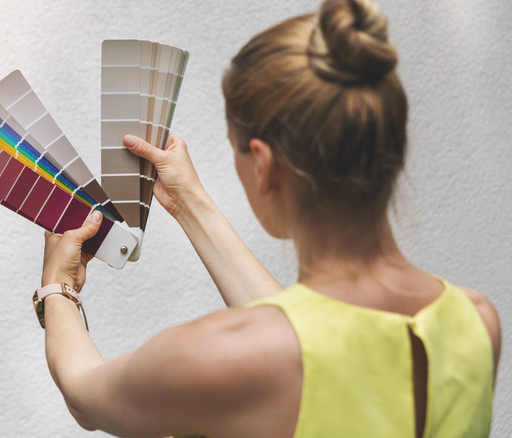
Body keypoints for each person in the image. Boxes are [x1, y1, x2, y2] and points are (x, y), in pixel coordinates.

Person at [35, 0, 501, 436]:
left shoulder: (225, 354)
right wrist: (188, 201)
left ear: (263, 163)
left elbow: (85, 393)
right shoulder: (476, 321)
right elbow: (318, 343)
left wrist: (58, 287)